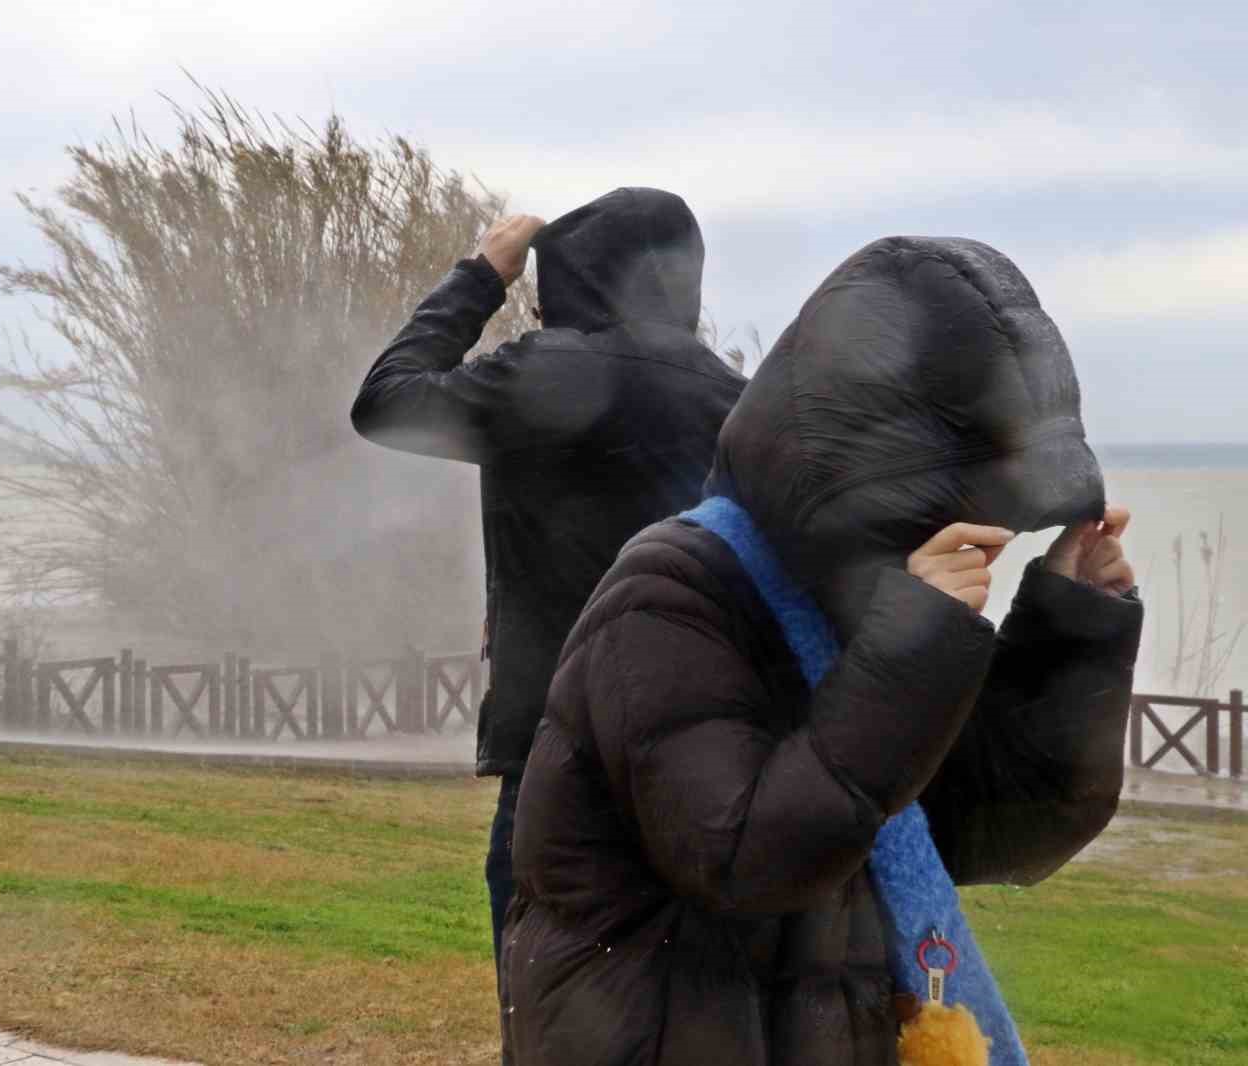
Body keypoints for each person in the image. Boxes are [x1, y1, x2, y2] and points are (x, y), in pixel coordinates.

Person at [501, 237, 1143, 1065]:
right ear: (868, 494)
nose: (977, 554)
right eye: (961, 524)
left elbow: (999, 832)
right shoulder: (666, 600)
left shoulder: (851, 608)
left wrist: (1071, 627)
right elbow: (746, 858)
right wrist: (914, 649)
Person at [350, 188, 746, 1021]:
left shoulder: (549, 372)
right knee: (688, 1015)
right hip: (706, 759)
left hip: (559, 753)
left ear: (576, 279)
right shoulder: (737, 400)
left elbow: (387, 401)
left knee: (549, 1005)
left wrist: (482, 274)